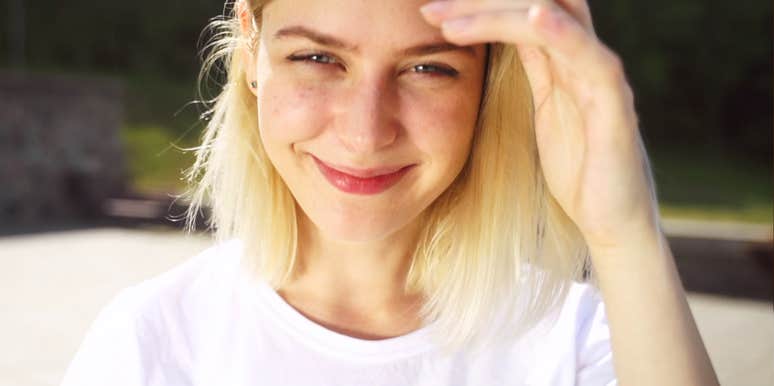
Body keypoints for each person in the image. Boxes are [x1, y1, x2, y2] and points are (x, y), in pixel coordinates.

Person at [61, 0, 719, 385]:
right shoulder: (151, 342)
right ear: (250, 57)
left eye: (428, 68)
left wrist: (624, 234)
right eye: (317, 58)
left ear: (488, 87)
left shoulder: (578, 342)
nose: (365, 132)